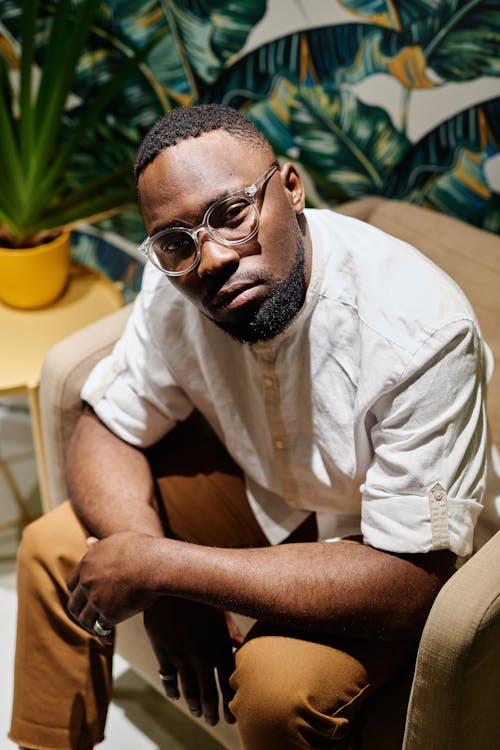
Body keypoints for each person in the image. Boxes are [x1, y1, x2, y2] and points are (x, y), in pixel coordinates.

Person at [10, 104, 490, 750]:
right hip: (272, 500)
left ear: (290, 190)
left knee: (273, 689)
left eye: (231, 215)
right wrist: (157, 576)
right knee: (53, 549)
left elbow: (407, 585)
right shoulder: (177, 286)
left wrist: (166, 570)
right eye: (176, 242)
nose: (209, 260)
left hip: (384, 550)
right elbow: (106, 427)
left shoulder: (420, 330)